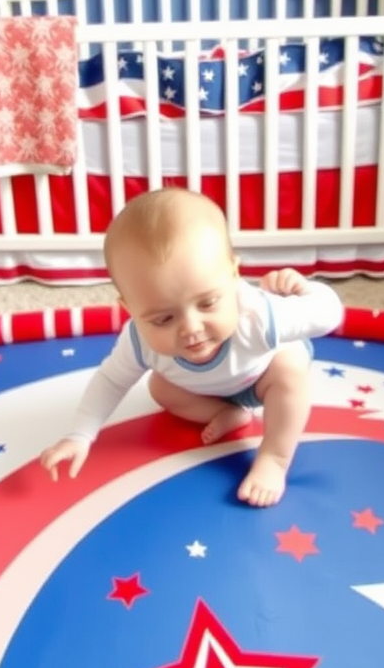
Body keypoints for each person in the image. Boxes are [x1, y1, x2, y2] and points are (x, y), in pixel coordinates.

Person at [39, 188, 345, 507]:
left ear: (233, 274)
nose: (191, 329)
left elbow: (330, 315)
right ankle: (228, 413)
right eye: (163, 319)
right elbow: (110, 381)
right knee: (160, 386)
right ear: (129, 308)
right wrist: (79, 435)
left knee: (289, 370)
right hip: (205, 391)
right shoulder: (138, 340)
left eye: (208, 303)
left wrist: (305, 290)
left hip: (261, 376)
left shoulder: (258, 315)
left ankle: (274, 459)